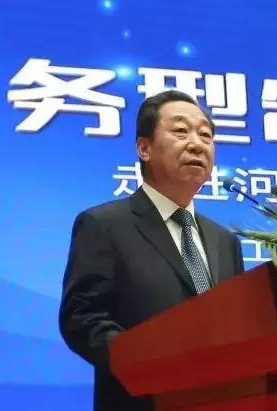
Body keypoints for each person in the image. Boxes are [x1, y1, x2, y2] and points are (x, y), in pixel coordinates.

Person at [59, 90, 244, 411]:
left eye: (205, 135)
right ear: (144, 148)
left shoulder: (225, 241)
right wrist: (148, 363)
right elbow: (82, 318)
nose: (197, 144)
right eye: (181, 131)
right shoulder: (104, 225)